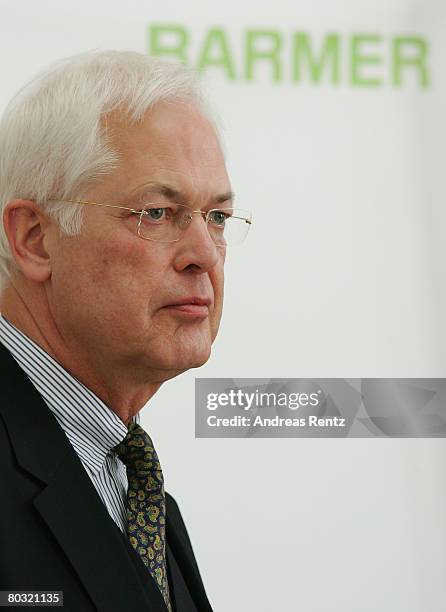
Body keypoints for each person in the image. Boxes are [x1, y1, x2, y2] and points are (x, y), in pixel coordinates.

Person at [0, 51, 251, 612]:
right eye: (158, 213)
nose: (204, 255)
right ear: (34, 237)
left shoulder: (139, 492)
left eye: (217, 217)